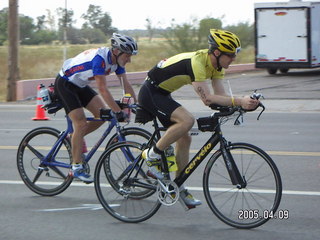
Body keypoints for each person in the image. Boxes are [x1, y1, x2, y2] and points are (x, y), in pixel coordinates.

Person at [138, 29, 259, 209]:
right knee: (187, 121)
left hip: (163, 93)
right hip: (151, 91)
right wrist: (240, 101)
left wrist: (241, 105)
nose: (234, 59)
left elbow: (220, 96)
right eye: (231, 55)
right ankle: (152, 154)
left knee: (185, 137)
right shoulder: (197, 62)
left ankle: (179, 185)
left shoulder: (217, 67)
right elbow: (208, 99)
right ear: (217, 52)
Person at [54, 33, 138, 183]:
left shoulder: (118, 62)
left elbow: (126, 85)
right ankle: (76, 166)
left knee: (102, 116)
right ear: (117, 51)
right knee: (80, 123)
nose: (129, 60)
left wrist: (137, 105)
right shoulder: (99, 59)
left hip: (80, 85)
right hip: (65, 84)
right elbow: (103, 89)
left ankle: (74, 138)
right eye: (128, 56)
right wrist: (118, 111)